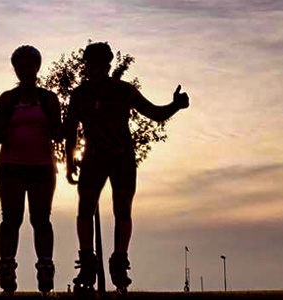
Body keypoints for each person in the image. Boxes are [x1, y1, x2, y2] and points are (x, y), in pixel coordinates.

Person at [63, 42, 190, 292]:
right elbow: (70, 132)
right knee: (85, 209)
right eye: (90, 63)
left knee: (122, 211)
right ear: (85, 66)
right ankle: (87, 261)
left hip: (122, 158)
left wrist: (175, 105)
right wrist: (69, 162)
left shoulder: (124, 90)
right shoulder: (79, 95)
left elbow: (154, 113)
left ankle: (119, 262)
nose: (95, 68)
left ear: (108, 65)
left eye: (100, 63)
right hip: (93, 158)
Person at [0, 45, 62, 294]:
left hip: (42, 167)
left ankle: (45, 268)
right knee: (11, 219)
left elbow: (58, 133)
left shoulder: (49, 98)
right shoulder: (7, 98)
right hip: (10, 166)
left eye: (30, 64)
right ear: (15, 69)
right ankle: (7, 268)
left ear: (37, 67)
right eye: (21, 65)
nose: (26, 69)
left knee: (41, 219)